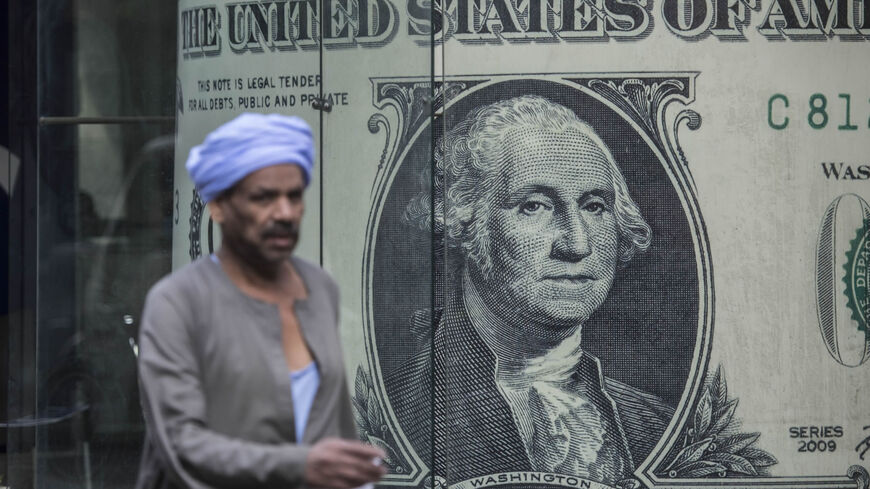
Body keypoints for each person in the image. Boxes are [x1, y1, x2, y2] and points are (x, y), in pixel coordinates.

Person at [387, 96, 674, 487]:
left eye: (594, 206)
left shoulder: (656, 425)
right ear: (465, 221)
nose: (576, 244)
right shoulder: (396, 413)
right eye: (534, 206)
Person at [136, 113, 386, 489]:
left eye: (294, 196)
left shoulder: (318, 288)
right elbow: (180, 444)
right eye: (263, 197)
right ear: (219, 206)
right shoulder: (177, 303)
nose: (285, 213)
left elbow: (333, 428)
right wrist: (300, 466)